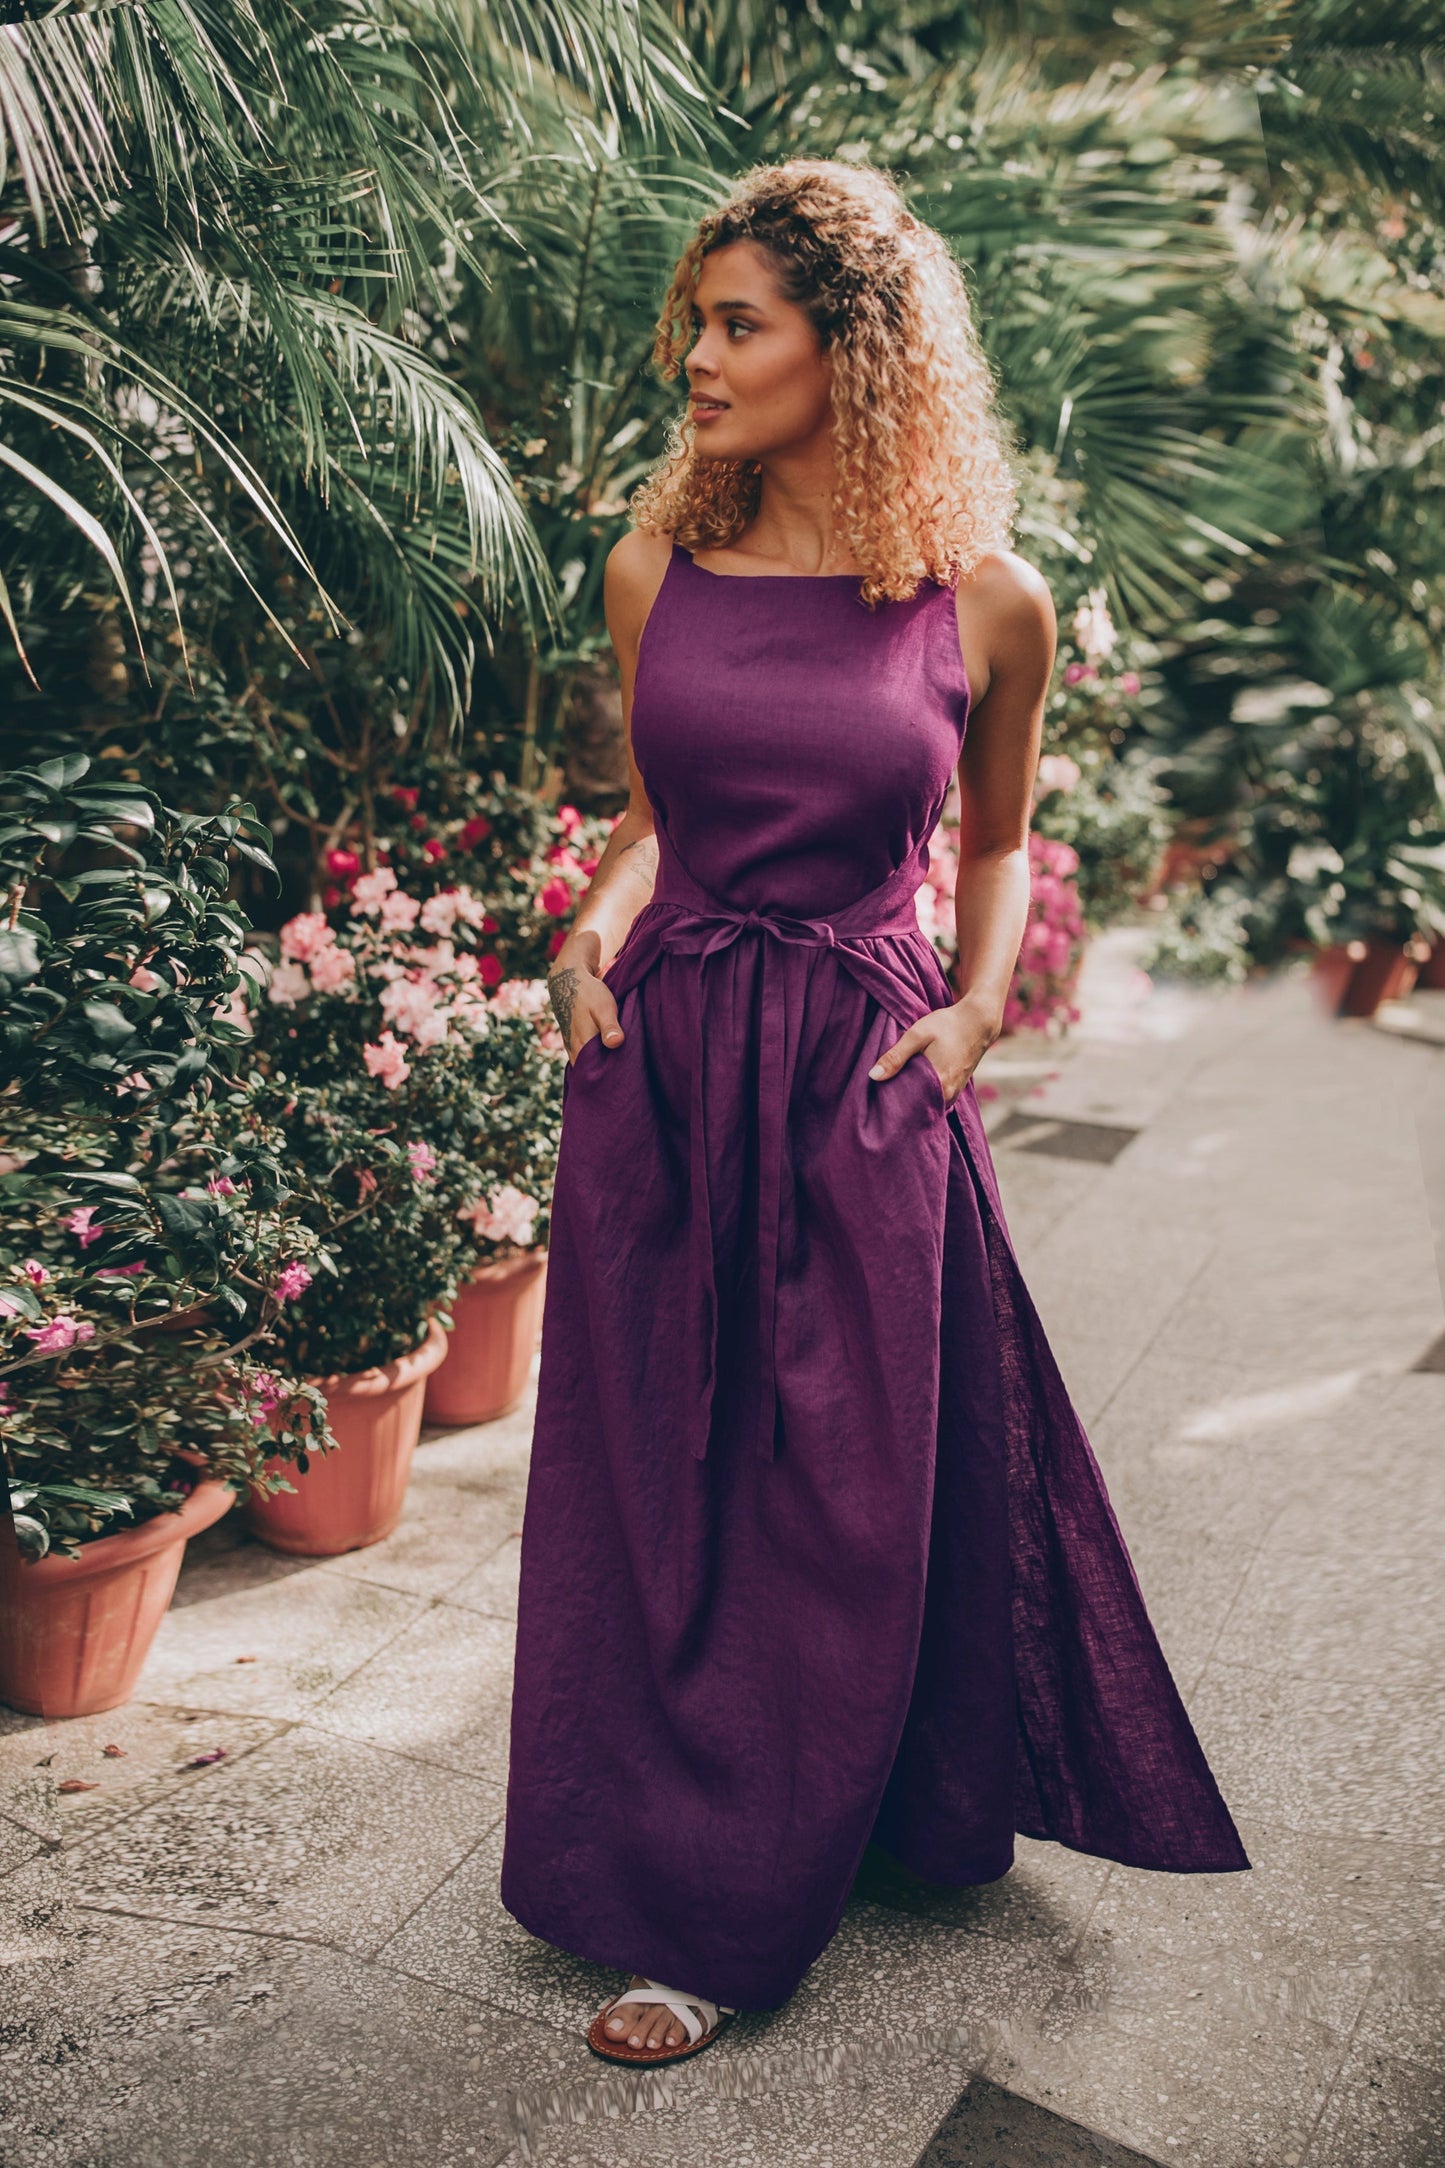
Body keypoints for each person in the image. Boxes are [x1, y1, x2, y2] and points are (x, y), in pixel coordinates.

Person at [501, 158, 1249, 2069]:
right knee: (668, 1484)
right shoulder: (650, 568)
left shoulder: (986, 603)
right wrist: (586, 938)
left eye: (737, 323)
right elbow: (660, 817)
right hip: (660, 1069)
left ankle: (870, 1809)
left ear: (858, 348)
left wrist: (979, 1008)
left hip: (857, 1068)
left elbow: (993, 843)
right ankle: (688, 1904)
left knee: (845, 1485)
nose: (695, 359)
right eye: (697, 323)